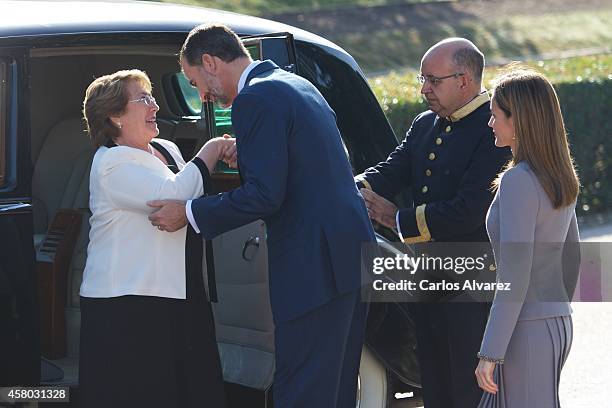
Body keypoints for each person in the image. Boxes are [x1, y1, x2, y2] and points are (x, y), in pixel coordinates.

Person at [147, 24, 376, 408]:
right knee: (334, 387)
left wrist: (189, 212)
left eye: (194, 82)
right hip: (348, 257)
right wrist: (251, 148)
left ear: (210, 62)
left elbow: (265, 195)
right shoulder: (293, 83)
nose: (201, 95)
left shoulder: (254, 99)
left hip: (313, 265)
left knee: (302, 389)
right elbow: (305, 160)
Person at [355, 38, 510, 407]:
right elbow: (390, 171)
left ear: (464, 79)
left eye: (432, 80)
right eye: (421, 79)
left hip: (472, 281)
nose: (424, 89)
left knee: (468, 388)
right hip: (428, 277)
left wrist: (395, 218)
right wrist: (350, 189)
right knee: (434, 383)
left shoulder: (493, 128)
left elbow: (468, 211)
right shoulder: (426, 123)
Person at [79, 69, 235, 407]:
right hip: (128, 302)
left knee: (190, 387)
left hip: (178, 291)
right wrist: (213, 149)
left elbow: (193, 197)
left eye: (152, 96)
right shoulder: (110, 162)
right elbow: (170, 195)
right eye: (143, 98)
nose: (154, 104)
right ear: (115, 115)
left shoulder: (165, 149)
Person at [475, 67, 580, 407]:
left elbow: (514, 272)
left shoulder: (519, 180)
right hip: (554, 323)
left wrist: (490, 350)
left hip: (527, 330)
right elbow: (573, 257)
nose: (490, 123)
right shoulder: (559, 175)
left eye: (495, 115)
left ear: (517, 120)